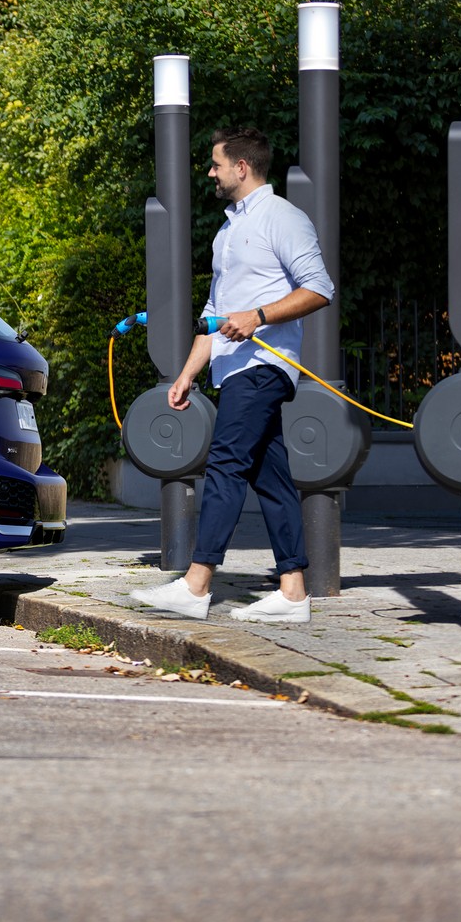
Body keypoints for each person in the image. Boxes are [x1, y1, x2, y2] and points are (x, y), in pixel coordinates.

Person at [130, 127, 333, 623]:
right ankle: (291, 593)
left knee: (224, 465)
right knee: (273, 478)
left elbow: (320, 288)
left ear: (242, 167)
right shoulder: (227, 232)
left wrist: (258, 317)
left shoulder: (282, 218)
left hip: (264, 366)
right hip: (233, 369)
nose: (210, 172)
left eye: (216, 164)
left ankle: (197, 584)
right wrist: (186, 374)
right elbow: (216, 313)